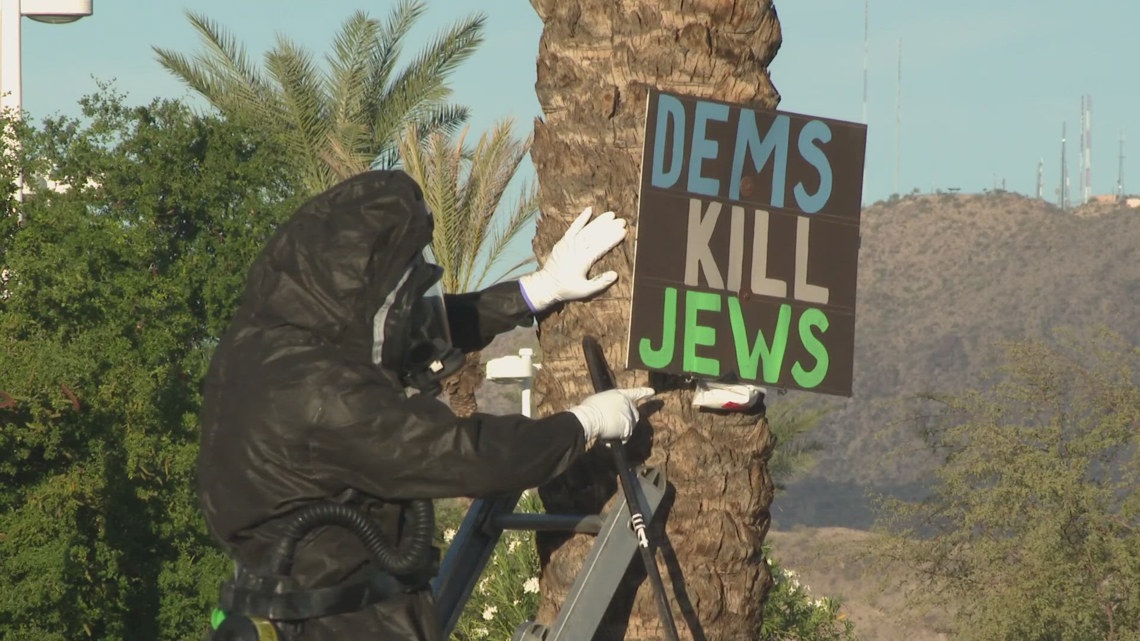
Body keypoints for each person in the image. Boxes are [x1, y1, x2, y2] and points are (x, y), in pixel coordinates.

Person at [197, 169, 655, 640]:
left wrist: (533, 291)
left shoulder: (269, 346)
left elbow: (413, 328)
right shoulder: (321, 395)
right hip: (340, 625)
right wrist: (583, 423)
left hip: (291, 605)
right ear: (363, 292)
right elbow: (465, 456)